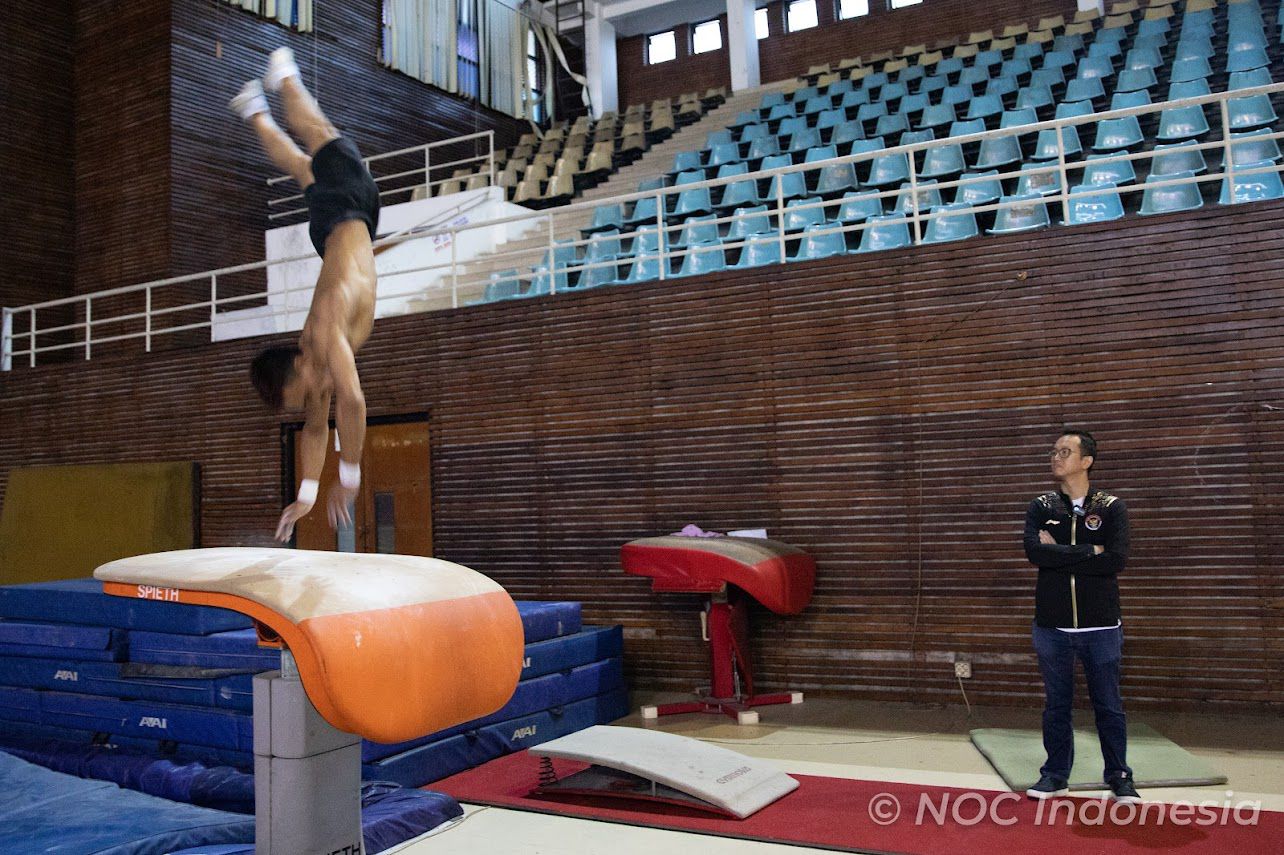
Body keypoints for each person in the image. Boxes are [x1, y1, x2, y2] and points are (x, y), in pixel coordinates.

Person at [229, 47, 379, 543]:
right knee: (299, 165)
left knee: (315, 136)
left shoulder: (324, 331)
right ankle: (254, 108)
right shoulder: (312, 373)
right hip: (333, 233)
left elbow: (353, 403)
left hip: (351, 205)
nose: (311, 398)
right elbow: (317, 430)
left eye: (301, 392)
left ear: (298, 363)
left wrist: (350, 477)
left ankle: (286, 76)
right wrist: (308, 494)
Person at [1022, 429, 1140, 804]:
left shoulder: (1110, 507)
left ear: (1086, 461)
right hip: (1053, 626)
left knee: (1108, 704)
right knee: (1056, 704)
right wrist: (1091, 551)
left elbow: (1116, 560)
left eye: (1066, 451)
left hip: (1101, 626)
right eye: (1054, 450)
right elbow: (1036, 555)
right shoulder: (1042, 507)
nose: (1056, 457)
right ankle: (1055, 775)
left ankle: (1119, 776)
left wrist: (1065, 553)